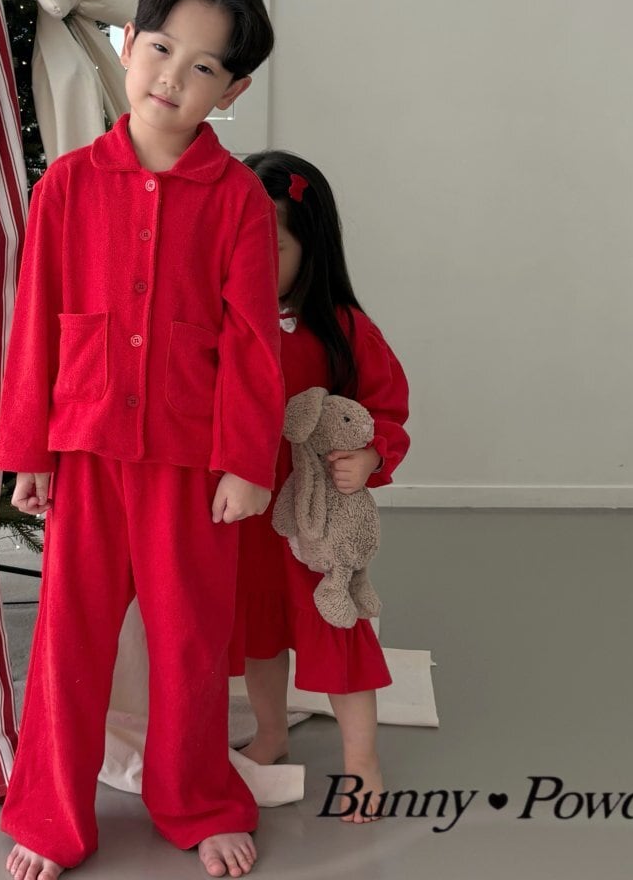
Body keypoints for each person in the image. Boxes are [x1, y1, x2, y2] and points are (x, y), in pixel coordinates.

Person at [0, 0, 284, 880]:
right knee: (67, 640)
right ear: (126, 44)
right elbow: (36, 325)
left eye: (203, 67)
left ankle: (196, 798)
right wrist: (29, 453)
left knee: (190, 640)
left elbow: (253, 344)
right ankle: (50, 814)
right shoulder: (67, 187)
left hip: (192, 464)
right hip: (85, 453)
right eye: (160, 48)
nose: (170, 77)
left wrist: (247, 462)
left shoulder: (238, 202)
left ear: (231, 91)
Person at [229, 151, 409, 825]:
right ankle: (271, 733)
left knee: (336, 629)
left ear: (310, 246)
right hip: (246, 514)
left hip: (317, 522)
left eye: (270, 246)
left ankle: (362, 760)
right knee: (259, 633)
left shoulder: (343, 328)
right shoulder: (227, 325)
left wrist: (371, 455)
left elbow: (385, 408)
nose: (250, 261)